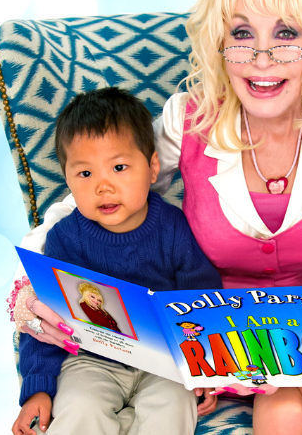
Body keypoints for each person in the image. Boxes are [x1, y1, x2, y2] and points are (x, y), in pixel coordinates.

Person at [16, 0, 302, 434]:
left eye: (286, 32)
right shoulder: (190, 119)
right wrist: (31, 280)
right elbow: (103, 189)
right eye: (242, 32)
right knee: (282, 409)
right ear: (219, 41)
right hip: (215, 337)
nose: (261, 58)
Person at [11, 87, 223, 435]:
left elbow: (202, 301)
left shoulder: (174, 228)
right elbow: (46, 321)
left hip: (165, 364)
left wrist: (206, 369)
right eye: (85, 174)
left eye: (119, 167)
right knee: (79, 407)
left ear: (152, 167)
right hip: (91, 361)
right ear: (67, 179)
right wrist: (37, 389)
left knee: (171, 409)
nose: (103, 186)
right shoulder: (64, 239)